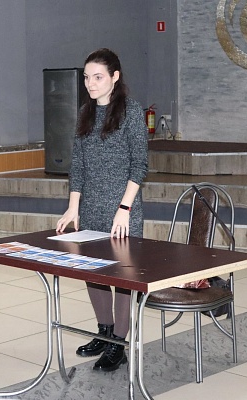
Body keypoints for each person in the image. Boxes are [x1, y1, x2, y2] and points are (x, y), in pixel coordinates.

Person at [56, 48, 148, 372]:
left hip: (122, 208)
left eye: (97, 77)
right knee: (93, 271)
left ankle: (119, 345)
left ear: (115, 77)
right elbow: (78, 165)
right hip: (92, 207)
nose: (90, 83)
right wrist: (73, 207)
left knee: (122, 277)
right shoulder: (86, 112)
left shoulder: (131, 112)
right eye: (86, 77)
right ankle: (105, 333)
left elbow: (140, 165)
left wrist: (124, 208)